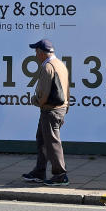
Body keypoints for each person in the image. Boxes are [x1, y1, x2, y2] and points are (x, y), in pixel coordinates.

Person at [22, 38, 70, 186]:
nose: (35, 55)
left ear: (41, 53)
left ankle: (60, 175)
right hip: (59, 108)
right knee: (42, 140)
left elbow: (43, 93)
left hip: (50, 110)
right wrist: (66, 106)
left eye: (36, 52)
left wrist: (35, 101)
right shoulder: (60, 65)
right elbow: (67, 89)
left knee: (52, 143)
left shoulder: (47, 67)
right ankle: (39, 171)